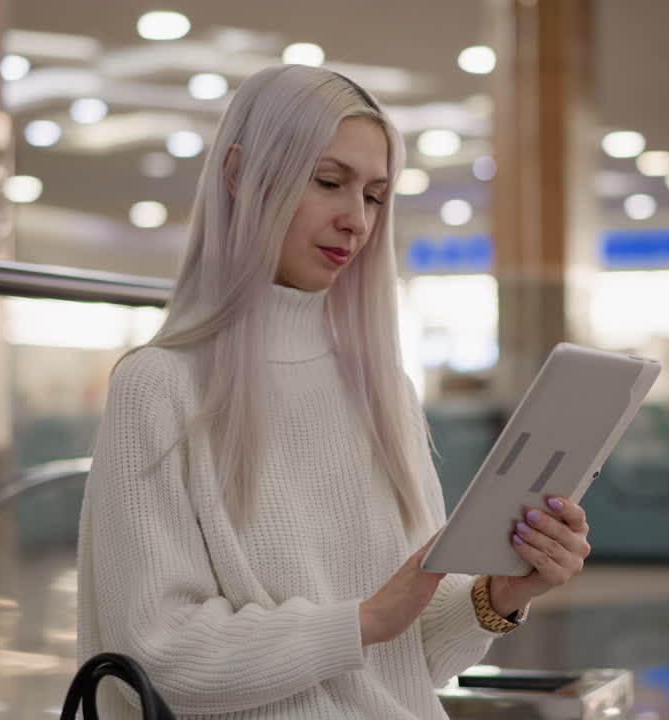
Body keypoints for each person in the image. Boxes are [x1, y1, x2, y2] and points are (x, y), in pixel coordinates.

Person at [76, 64, 592, 720]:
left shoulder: (384, 391)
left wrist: (500, 593)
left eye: (376, 196)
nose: (357, 220)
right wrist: (363, 619)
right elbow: (158, 655)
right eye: (329, 182)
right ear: (238, 175)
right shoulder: (160, 386)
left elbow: (416, 655)